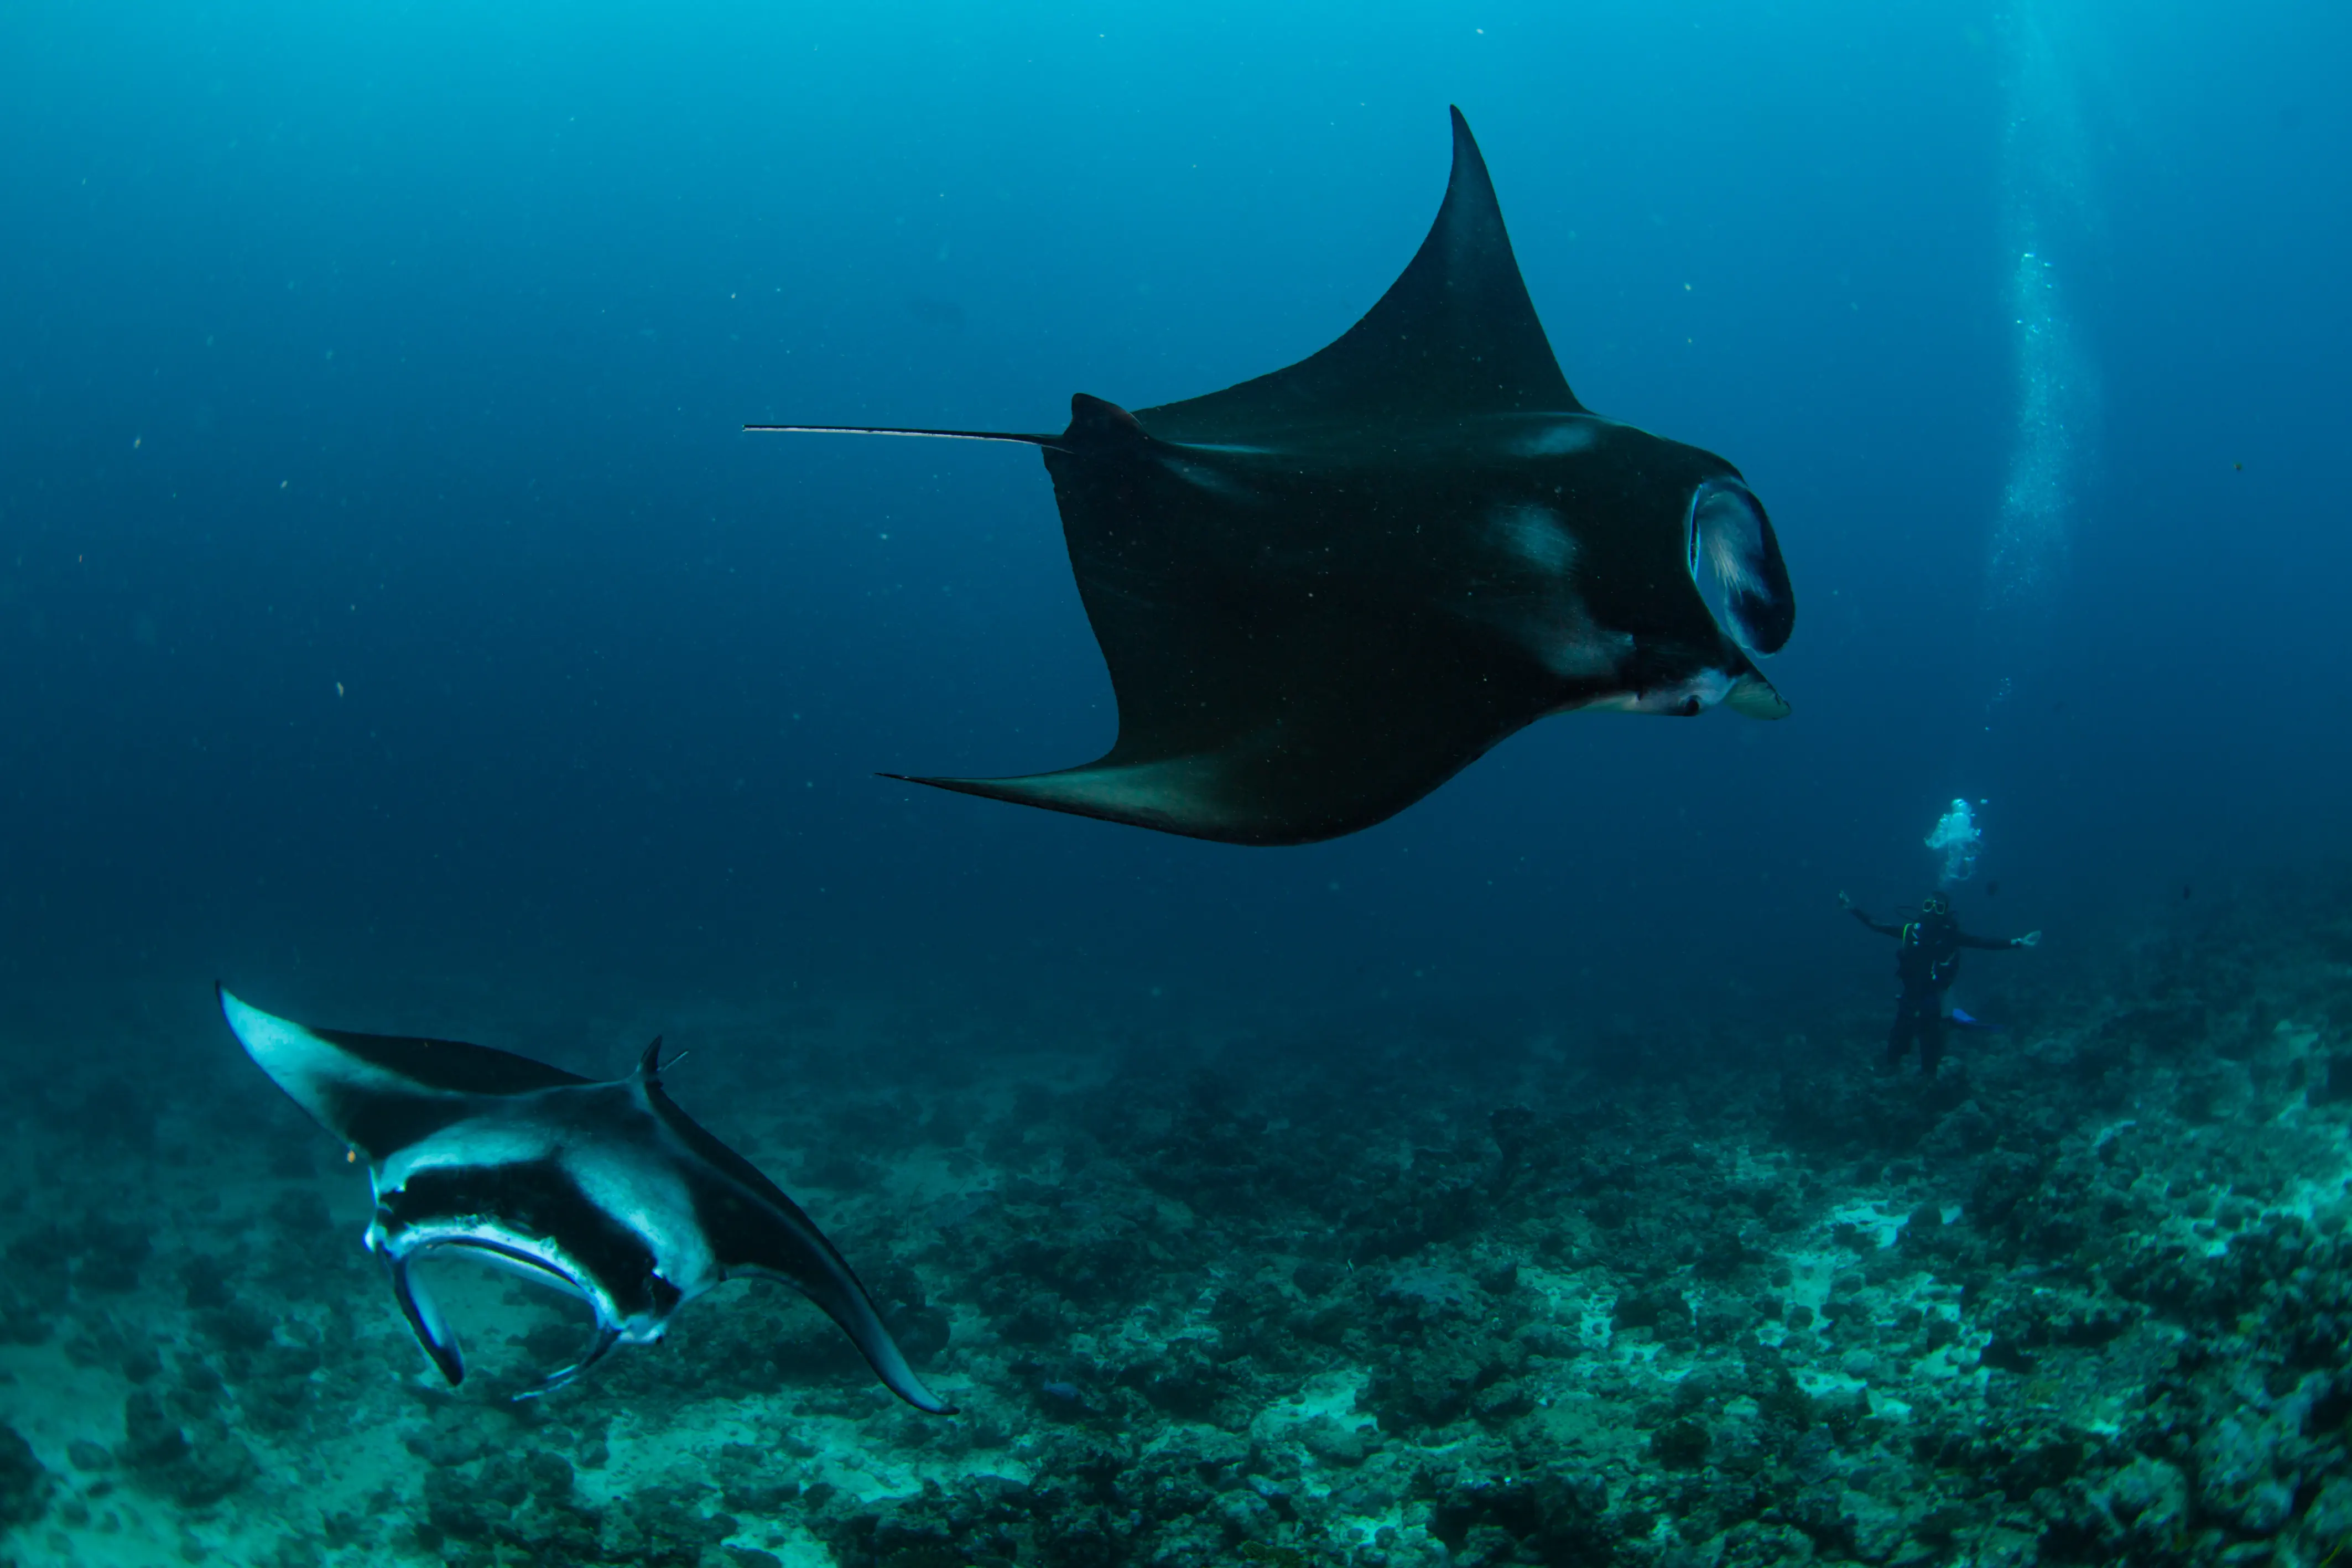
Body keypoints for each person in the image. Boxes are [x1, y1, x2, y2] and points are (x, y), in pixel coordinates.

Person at [1839, 891, 2040, 1075]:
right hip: (1911, 995)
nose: (1932, 912)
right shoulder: (1911, 932)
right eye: (1928, 906)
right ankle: (1895, 1069)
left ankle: (1930, 1076)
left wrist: (2017, 943)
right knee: (1899, 1039)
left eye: (1939, 908)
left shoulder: (1950, 937)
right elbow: (1878, 926)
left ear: (1945, 913)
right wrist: (1852, 908)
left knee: (1930, 1042)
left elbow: (1982, 942)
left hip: (1933, 996)